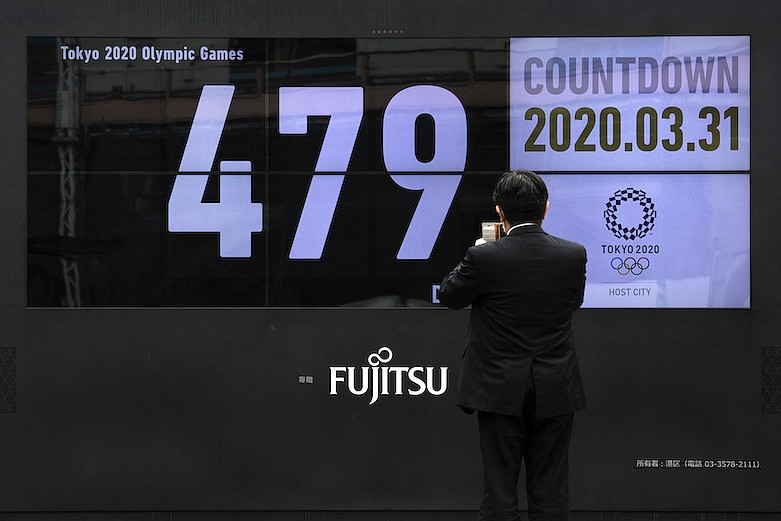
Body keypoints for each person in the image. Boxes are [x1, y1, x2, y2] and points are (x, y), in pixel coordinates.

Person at [439, 169, 587, 521]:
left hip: (498, 388)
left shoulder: (485, 258)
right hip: (555, 386)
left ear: (500, 213)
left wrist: (477, 252)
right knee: (551, 492)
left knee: (499, 490)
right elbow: (574, 302)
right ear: (546, 209)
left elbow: (449, 295)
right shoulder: (573, 255)